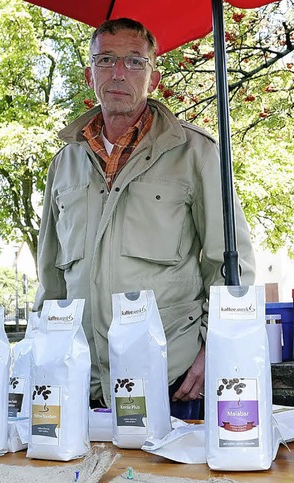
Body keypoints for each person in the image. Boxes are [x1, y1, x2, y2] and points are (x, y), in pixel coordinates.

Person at [33, 18, 255, 419]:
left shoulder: (196, 153)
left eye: (135, 62)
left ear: (153, 78)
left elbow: (232, 265)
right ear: (89, 74)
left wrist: (217, 348)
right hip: (83, 381)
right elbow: (50, 279)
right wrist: (44, 351)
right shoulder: (63, 164)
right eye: (106, 61)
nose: (119, 73)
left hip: (174, 378)